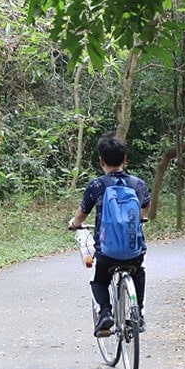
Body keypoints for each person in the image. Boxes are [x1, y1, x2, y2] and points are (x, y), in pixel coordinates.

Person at [68, 133, 150, 336]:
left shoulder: (97, 185)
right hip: (134, 250)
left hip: (107, 251)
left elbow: (81, 214)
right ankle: (137, 313)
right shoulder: (138, 185)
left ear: (101, 161)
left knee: (99, 280)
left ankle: (105, 313)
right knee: (138, 271)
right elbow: (143, 213)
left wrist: (74, 224)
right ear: (125, 160)